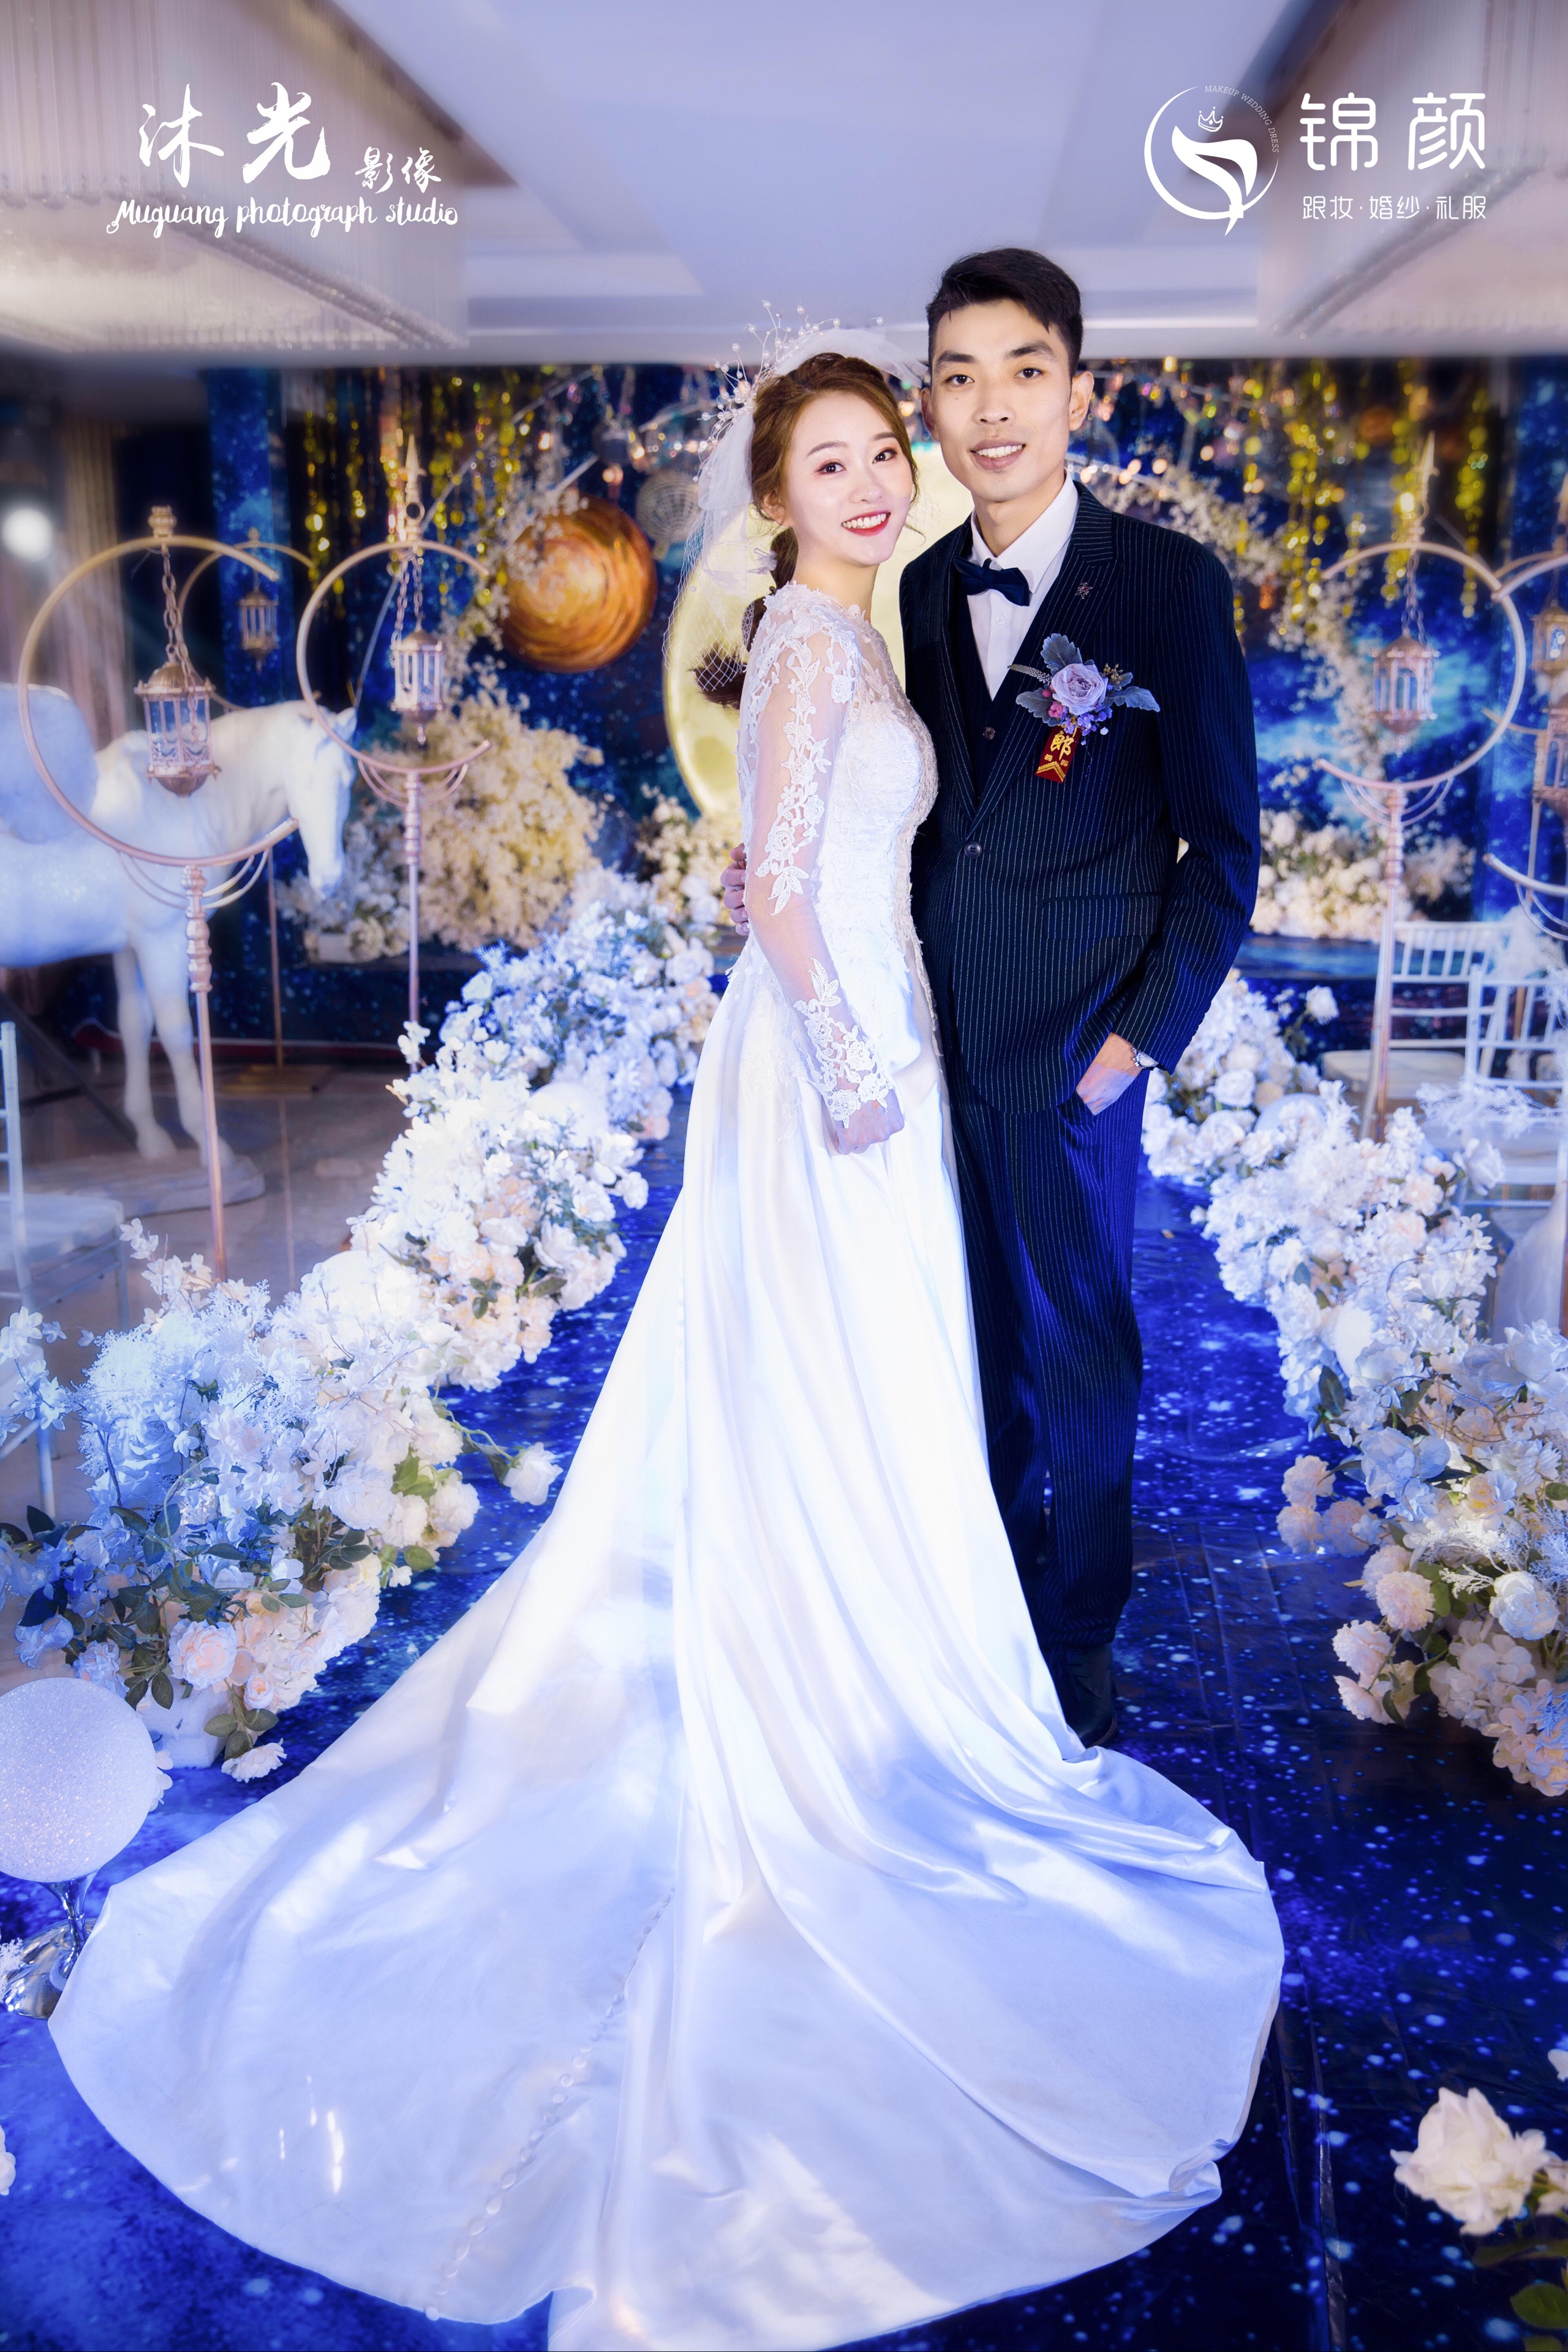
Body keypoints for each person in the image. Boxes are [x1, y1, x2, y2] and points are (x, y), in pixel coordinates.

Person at [52, 337, 1281, 2352]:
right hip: (832, 1070)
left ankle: (879, 1669)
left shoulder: (858, 629)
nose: (871, 481)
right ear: (775, 496)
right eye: (833, 459)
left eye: (883, 452)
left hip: (867, 1047)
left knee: (871, 1392)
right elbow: (783, 893)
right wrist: (853, 1063)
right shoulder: (803, 640)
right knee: (830, 1384)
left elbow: (816, 862)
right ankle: (815, 1704)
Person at [725, 251, 1259, 1747]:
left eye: (1022, 370)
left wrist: (1129, 1045)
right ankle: (971, 1606)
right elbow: (911, 817)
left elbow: (1223, 852)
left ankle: (1074, 1633)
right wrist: (773, 873)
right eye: (956, 379)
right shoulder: (913, 583)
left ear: (1075, 388)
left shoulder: (1165, 584)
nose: (990, 407)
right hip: (915, 1036)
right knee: (955, 1353)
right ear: (932, 405)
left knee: (1075, 1346)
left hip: (1069, 1046)